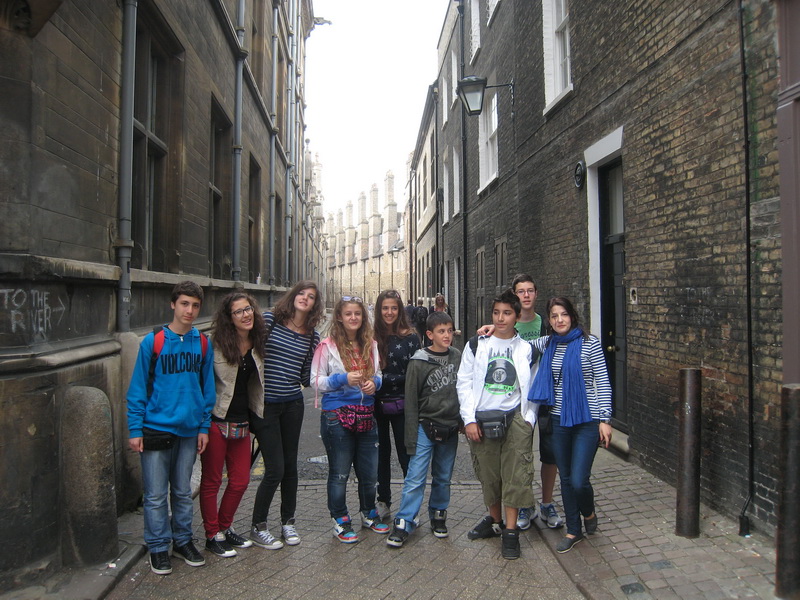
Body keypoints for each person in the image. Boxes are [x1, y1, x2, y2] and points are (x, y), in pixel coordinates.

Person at [127, 281, 216, 575]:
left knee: (181, 491)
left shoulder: (202, 343)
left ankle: (182, 541)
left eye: (195, 305)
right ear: (173, 305)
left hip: (189, 430)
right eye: (184, 304)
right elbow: (137, 389)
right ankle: (157, 546)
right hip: (155, 428)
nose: (190, 310)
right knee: (155, 495)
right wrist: (135, 429)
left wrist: (203, 426)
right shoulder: (152, 341)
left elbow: (207, 389)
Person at [527, 297, 612, 553]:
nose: (559, 320)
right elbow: (515, 344)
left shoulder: (590, 343)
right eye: (554, 316)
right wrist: (491, 329)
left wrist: (605, 419)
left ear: (572, 316)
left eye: (563, 314)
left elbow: (602, 381)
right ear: (549, 320)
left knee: (578, 480)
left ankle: (588, 512)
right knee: (565, 478)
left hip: (587, 420)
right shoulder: (547, 343)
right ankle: (574, 530)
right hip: (558, 420)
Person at [456, 289, 536, 560]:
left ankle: (511, 532)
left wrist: (529, 419)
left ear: (517, 316)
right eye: (496, 313)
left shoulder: (526, 349)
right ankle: (495, 522)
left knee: (516, 475)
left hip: (515, 418)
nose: (501, 318)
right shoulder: (477, 345)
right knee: (489, 474)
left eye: (507, 313)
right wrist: (468, 419)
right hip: (482, 418)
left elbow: (532, 387)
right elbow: (464, 382)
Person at [249, 280, 323, 549]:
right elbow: (251, 355)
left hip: (292, 404)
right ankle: (258, 526)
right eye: (301, 293)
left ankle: (288, 522)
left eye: (311, 296)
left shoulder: (313, 336)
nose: (305, 298)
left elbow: (304, 376)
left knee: (290, 466)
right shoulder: (270, 321)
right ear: (293, 296)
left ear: (315, 304)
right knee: (275, 468)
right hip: (266, 405)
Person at [311, 295, 390, 543]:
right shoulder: (327, 346)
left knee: (369, 472)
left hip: (366, 413)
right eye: (348, 314)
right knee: (340, 473)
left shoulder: (371, 344)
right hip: (336, 415)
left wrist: (374, 384)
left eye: (357, 313)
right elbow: (315, 381)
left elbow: (378, 374)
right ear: (339, 317)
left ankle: (369, 513)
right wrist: (342, 379)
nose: (353, 318)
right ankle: (340, 520)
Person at [386, 311, 462, 548]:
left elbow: (464, 389)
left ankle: (438, 514)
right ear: (430, 334)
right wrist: (411, 436)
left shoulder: (457, 356)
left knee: (443, 476)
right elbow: (411, 401)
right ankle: (404, 521)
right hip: (424, 426)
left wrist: (462, 420)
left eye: (449, 330)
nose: (446, 335)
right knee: (416, 476)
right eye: (441, 331)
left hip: (449, 426)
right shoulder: (418, 361)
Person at [200, 291, 266, 557]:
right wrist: (202, 424)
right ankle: (211, 534)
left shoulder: (258, 341)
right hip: (216, 420)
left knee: (240, 481)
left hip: (242, 422)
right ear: (229, 317)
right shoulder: (214, 344)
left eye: (248, 309)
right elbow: (203, 383)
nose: (246, 315)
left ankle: (224, 527)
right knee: (212, 481)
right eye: (238, 311)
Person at [511, 274, 564, 531]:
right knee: (521, 453)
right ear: (515, 295)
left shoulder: (546, 323)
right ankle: (525, 504)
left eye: (530, 290)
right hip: (517, 397)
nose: (526, 295)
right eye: (521, 291)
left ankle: (547, 503)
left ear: (536, 293)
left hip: (545, 395)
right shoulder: (508, 323)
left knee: (549, 453)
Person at [373, 289, 421, 518]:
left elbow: (416, 373)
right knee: (380, 455)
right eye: (385, 308)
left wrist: (385, 379)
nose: (389, 312)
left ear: (400, 310)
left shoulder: (411, 337)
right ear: (379, 310)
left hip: (404, 404)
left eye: (393, 308)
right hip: (376, 404)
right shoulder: (371, 336)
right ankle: (383, 500)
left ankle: (410, 506)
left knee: (406, 455)